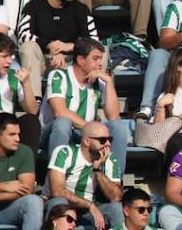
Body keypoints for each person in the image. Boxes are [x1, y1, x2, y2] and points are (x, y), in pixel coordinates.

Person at [40, 37, 130, 176]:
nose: (100, 63)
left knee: (118, 127)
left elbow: (113, 116)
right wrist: (91, 128)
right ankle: (55, 179)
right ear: (81, 60)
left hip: (84, 135)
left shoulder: (98, 80)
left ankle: (115, 180)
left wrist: (108, 82)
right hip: (54, 133)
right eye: (95, 59)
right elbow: (60, 111)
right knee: (63, 123)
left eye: (101, 59)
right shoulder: (59, 75)